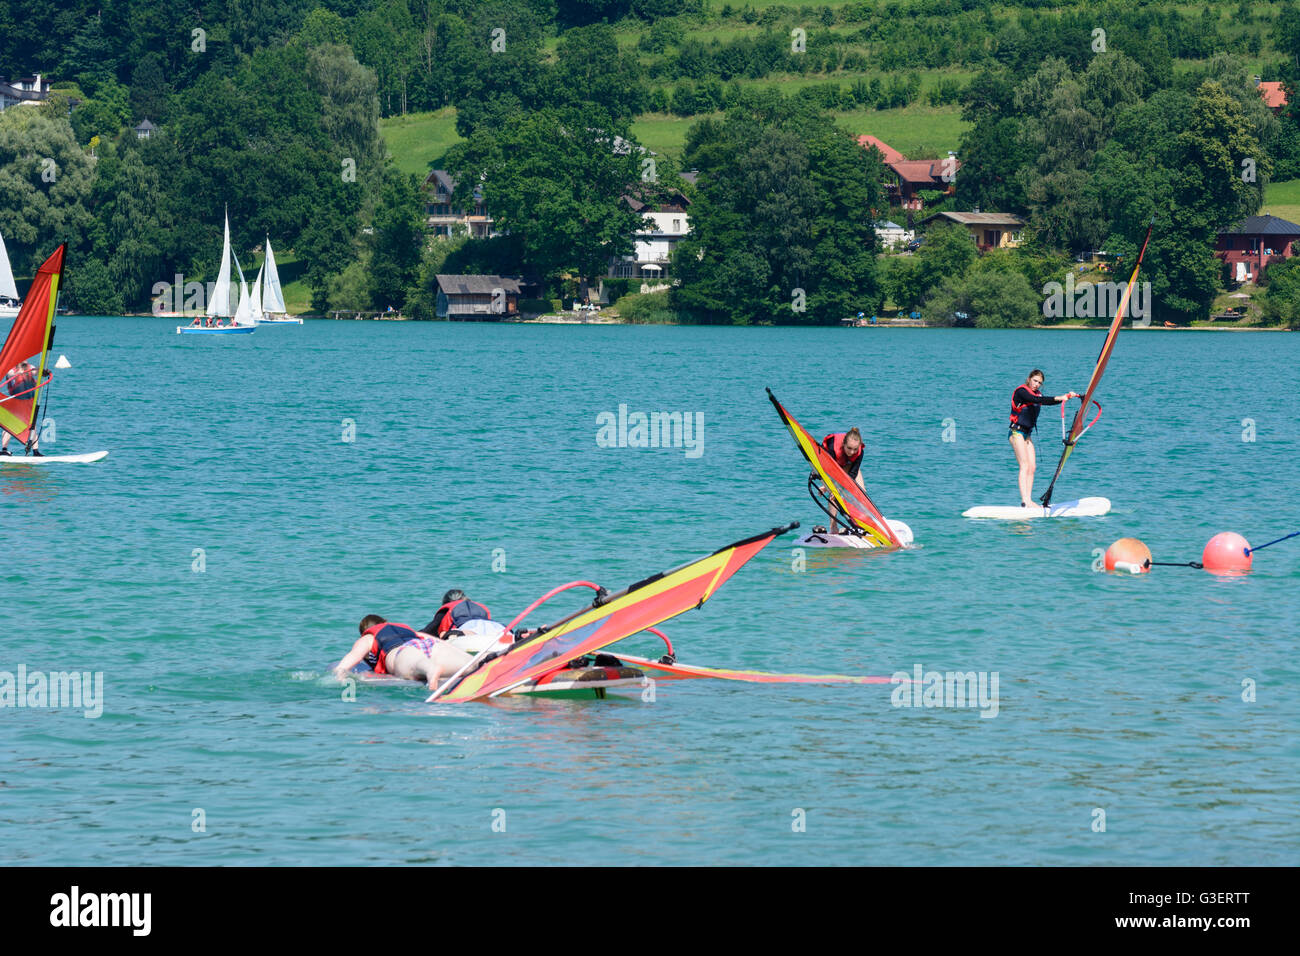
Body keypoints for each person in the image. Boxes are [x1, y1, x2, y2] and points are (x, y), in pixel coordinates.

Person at [333, 615, 472, 690]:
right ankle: (482, 661)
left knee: (417, 663)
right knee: (469, 665)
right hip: (427, 645)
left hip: (401, 652)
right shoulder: (407, 629)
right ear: (384, 621)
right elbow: (438, 642)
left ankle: (431, 669)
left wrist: (340, 672)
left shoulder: (369, 637)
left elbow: (354, 656)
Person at [1009, 369, 1077, 507]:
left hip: (1027, 435)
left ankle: (1028, 499)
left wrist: (1067, 397)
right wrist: (1060, 397)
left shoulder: (1038, 394)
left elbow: (1046, 401)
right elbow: (1036, 400)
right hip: (1016, 433)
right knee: (1024, 465)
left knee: (1032, 467)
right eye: (1035, 381)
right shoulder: (1021, 392)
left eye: (1040, 383)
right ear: (1029, 379)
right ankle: (1025, 500)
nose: (1036, 384)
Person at [818, 426, 866, 533]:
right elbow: (828, 470)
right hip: (828, 466)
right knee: (834, 494)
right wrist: (829, 487)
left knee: (861, 492)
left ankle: (861, 523)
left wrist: (840, 488)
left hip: (847, 466)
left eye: (855, 449)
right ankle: (833, 527)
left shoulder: (859, 452)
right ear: (843, 444)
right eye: (849, 448)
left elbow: (852, 475)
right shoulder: (832, 446)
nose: (852, 452)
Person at [0, 361, 47, 457]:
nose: (26, 360)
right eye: (23, 359)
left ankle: (35, 451)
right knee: (9, 426)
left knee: (33, 426)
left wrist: (42, 371)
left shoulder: (30, 367)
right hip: (17, 402)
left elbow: (36, 372)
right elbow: (11, 374)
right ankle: (4, 450)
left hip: (29, 402)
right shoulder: (12, 370)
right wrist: (21, 370)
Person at [423, 590, 491, 637]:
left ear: (445, 602)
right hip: (492, 630)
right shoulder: (477, 607)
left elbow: (428, 631)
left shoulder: (447, 610)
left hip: (464, 634)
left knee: (443, 634)